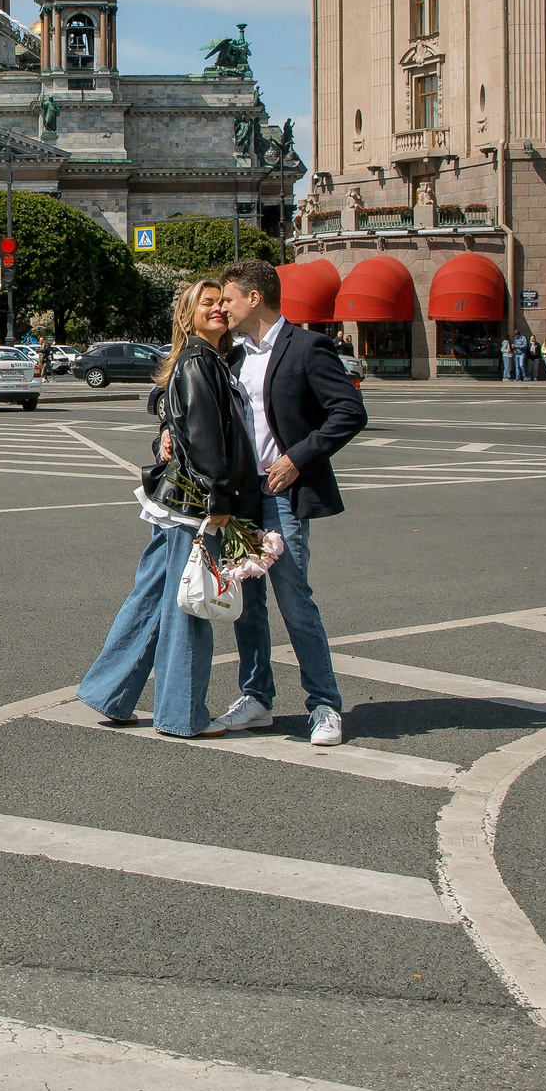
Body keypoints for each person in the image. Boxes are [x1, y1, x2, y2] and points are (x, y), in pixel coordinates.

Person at [77, 279, 253, 737]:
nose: (217, 309)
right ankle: (181, 714)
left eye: (221, 303)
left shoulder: (199, 358)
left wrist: (166, 433)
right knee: (189, 605)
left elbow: (175, 416)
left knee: (153, 597)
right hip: (195, 504)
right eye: (206, 304)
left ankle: (111, 692)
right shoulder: (200, 360)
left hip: (172, 501)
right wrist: (219, 497)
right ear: (188, 316)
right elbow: (205, 436)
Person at [209, 256, 370, 747]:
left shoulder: (307, 347)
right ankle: (256, 697)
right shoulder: (232, 356)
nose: (223, 308)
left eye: (229, 299)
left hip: (283, 494)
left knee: (294, 599)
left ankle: (324, 704)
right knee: (247, 603)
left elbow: (349, 411)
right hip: (241, 497)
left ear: (254, 297)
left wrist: (298, 458)